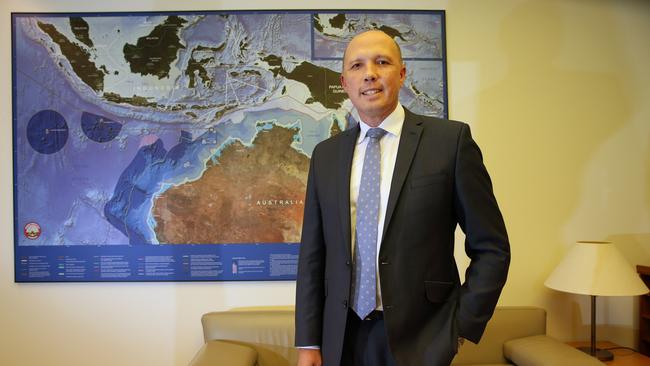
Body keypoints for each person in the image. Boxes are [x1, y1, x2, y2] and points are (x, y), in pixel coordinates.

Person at [295, 30, 510, 366]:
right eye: (357, 65)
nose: (370, 73)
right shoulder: (325, 155)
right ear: (345, 81)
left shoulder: (450, 142)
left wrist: (461, 325)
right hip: (340, 337)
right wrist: (307, 342)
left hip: (422, 339)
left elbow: (492, 248)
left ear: (402, 73)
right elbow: (312, 256)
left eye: (382, 62)